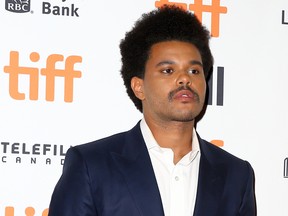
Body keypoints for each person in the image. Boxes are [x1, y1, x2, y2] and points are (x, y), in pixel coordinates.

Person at [48, 5, 256, 216]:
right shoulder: (91, 166)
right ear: (139, 87)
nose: (185, 78)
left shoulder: (236, 175)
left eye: (194, 70)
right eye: (168, 70)